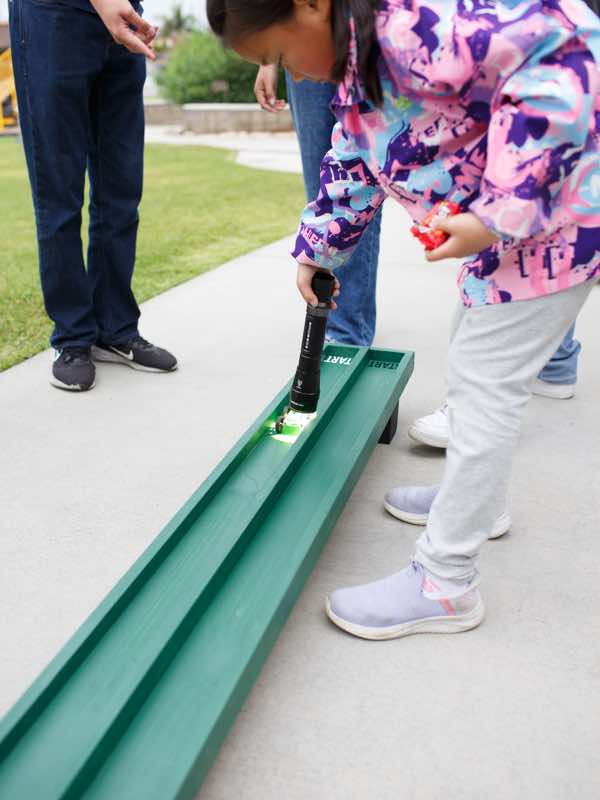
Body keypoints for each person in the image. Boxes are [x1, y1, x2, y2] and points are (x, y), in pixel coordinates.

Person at [208, 0, 600, 640]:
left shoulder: (423, 27)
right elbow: (356, 155)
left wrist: (495, 215)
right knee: (470, 361)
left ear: (312, 5)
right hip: (508, 237)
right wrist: (319, 247)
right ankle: (476, 504)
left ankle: (446, 584)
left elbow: (562, 53)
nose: (293, 75)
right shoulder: (357, 61)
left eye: (279, 55)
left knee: (485, 383)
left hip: (558, 224)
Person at [8, 0, 177, 391]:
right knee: (59, 194)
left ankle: (115, 329)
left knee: (121, 192)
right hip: (52, 14)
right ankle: (72, 337)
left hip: (124, 15)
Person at [254, 64, 382, 345]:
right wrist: (318, 254)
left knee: (356, 179)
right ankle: (336, 328)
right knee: (324, 186)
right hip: (307, 52)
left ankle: (347, 335)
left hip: (360, 53)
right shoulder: (299, 63)